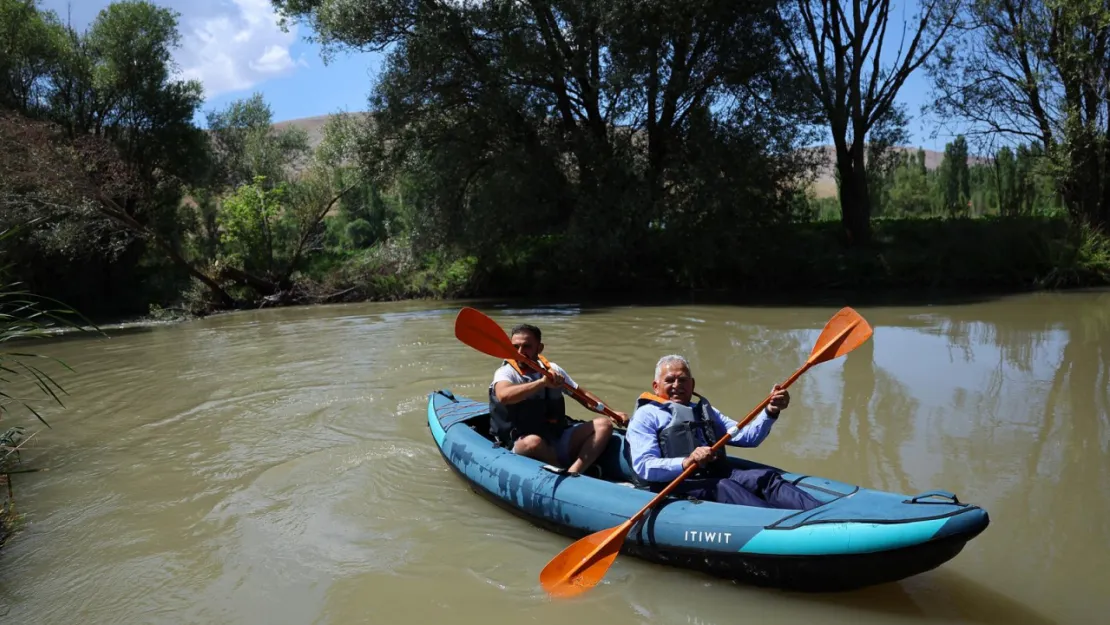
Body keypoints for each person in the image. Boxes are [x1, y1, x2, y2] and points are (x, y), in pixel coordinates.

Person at [625, 354, 822, 510]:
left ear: (692, 385)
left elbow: (748, 437)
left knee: (766, 478)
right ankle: (786, 527)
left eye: (683, 380)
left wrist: (771, 410)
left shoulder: (705, 411)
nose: (677, 386)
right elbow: (645, 466)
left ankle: (820, 514)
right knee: (727, 488)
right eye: (670, 380)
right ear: (656, 386)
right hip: (675, 482)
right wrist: (687, 462)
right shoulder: (646, 416)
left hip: (715, 472)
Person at [488, 323, 628, 476]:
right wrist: (541, 383)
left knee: (603, 425)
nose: (520, 352)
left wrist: (611, 413)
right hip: (520, 442)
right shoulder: (505, 372)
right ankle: (561, 470)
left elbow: (582, 396)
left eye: (526, 346)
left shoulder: (553, 370)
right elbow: (504, 396)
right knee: (534, 442)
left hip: (555, 436)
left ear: (539, 348)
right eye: (515, 347)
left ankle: (575, 471)